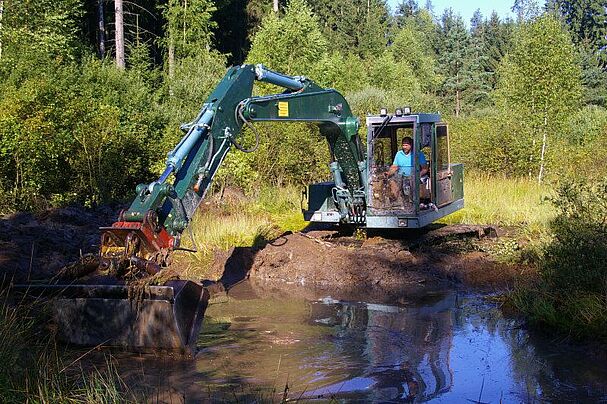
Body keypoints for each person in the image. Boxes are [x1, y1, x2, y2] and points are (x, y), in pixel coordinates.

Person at [385, 136, 429, 202]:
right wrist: (388, 173)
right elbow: (394, 167)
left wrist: (418, 175)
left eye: (406, 145)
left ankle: (414, 203)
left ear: (411, 145)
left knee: (411, 186)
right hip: (400, 177)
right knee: (391, 182)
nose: (404, 147)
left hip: (413, 178)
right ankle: (394, 202)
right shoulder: (399, 154)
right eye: (403, 145)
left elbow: (425, 168)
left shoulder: (419, 154)